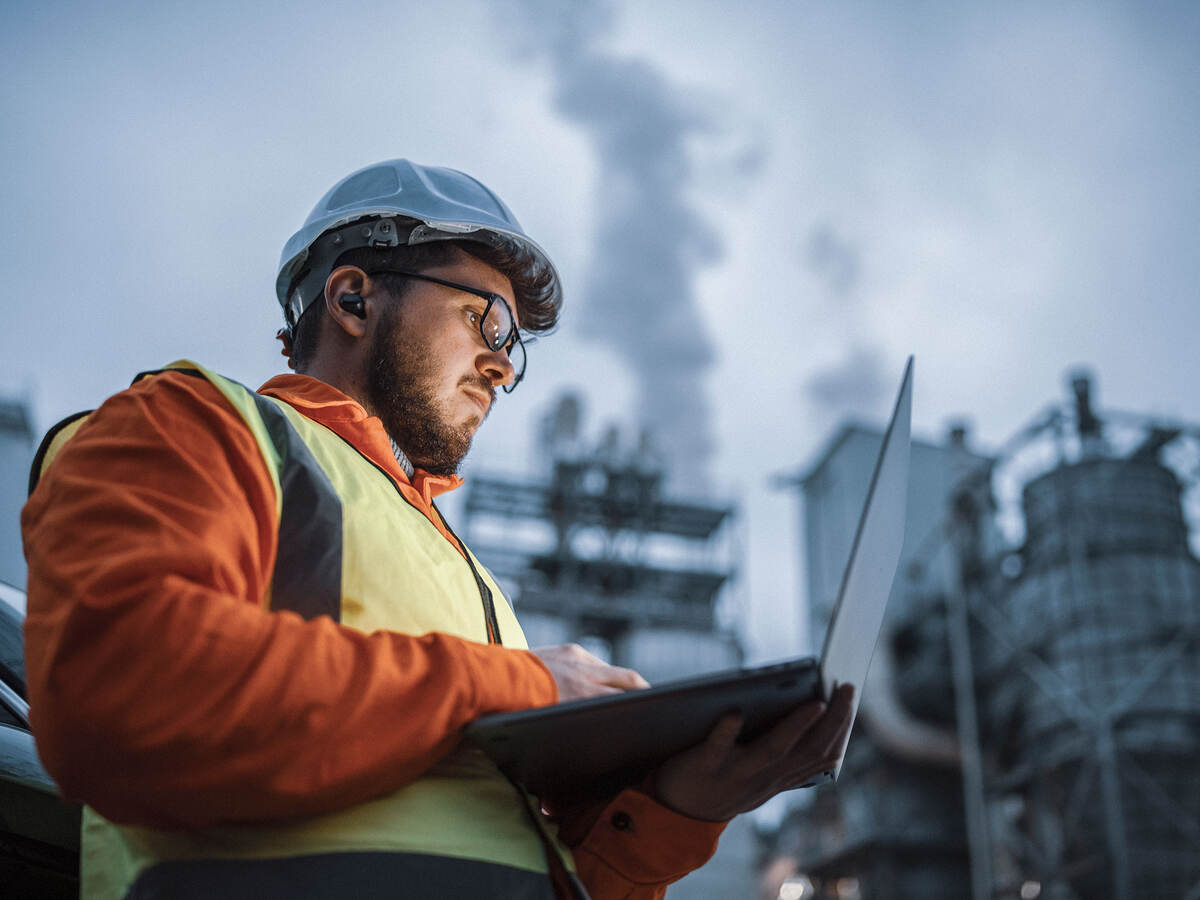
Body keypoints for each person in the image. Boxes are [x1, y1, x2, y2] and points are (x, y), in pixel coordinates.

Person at [22, 159, 853, 899]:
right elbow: (120, 690)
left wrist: (677, 810)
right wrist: (520, 686)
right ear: (354, 298)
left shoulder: (469, 579)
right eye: (485, 322)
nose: (501, 363)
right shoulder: (195, 426)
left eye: (514, 348)